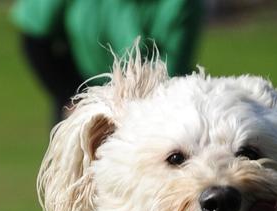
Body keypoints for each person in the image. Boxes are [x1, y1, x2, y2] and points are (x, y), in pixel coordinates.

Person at [11, 0, 204, 121]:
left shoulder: (181, 4)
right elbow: (35, 38)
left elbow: (167, 72)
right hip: (78, 88)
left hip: (147, 102)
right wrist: (70, 98)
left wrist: (128, 117)